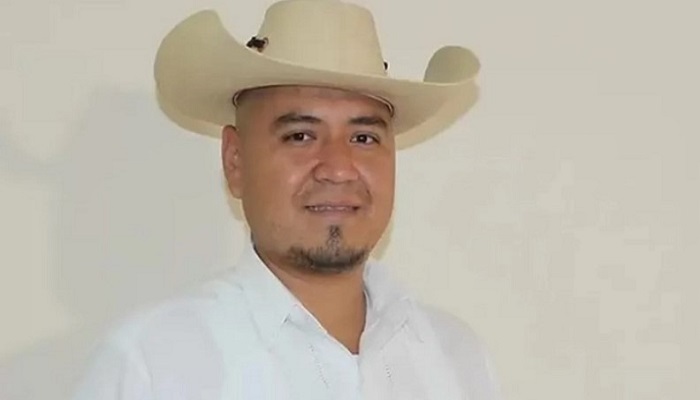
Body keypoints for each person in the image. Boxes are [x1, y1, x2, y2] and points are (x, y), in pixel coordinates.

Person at [73, 0, 501, 398]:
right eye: (300, 136)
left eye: (363, 138)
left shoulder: (457, 360)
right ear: (235, 161)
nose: (338, 167)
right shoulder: (151, 366)